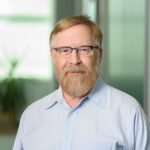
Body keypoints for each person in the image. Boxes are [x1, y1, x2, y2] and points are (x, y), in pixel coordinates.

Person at [13, 15, 150, 150]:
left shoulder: (130, 113)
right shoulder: (31, 117)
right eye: (65, 50)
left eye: (84, 49)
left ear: (99, 55)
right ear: (53, 57)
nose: (74, 60)